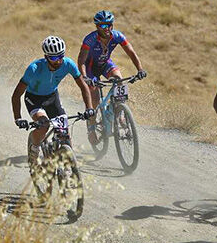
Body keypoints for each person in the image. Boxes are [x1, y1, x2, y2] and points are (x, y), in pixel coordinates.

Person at [12, 36, 94, 172]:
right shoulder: (34, 68)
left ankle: (70, 166)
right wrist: (18, 118)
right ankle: (34, 147)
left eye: (61, 56)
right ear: (46, 56)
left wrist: (89, 108)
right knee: (43, 125)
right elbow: (16, 95)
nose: (59, 61)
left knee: (64, 132)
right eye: (54, 58)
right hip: (34, 99)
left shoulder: (68, 64)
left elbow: (83, 86)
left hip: (51, 97)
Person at [77, 10, 146, 145]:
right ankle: (91, 129)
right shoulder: (89, 39)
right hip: (90, 68)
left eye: (109, 25)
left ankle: (119, 112)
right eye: (103, 26)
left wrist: (140, 69)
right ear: (97, 27)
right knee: (95, 99)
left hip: (104, 64)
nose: (107, 28)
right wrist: (85, 77)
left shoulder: (117, 36)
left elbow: (131, 52)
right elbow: (81, 60)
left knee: (119, 80)